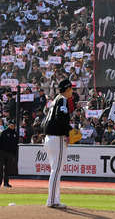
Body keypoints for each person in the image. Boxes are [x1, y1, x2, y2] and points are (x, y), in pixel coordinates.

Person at [44, 79, 74, 209]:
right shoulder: (62, 99)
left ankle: (55, 200)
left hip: (49, 138)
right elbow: (59, 117)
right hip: (57, 138)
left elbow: (48, 120)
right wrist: (70, 130)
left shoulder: (55, 100)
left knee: (55, 171)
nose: (72, 91)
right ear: (67, 89)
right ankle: (51, 201)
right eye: (71, 89)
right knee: (56, 171)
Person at [0, 119, 17, 187]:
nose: (12, 126)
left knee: (7, 169)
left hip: (10, 153)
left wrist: (14, 155)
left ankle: (6, 183)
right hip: (2, 152)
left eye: (13, 124)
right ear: (8, 124)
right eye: (11, 124)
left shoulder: (15, 133)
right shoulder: (4, 132)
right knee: (0, 168)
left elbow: (15, 145)